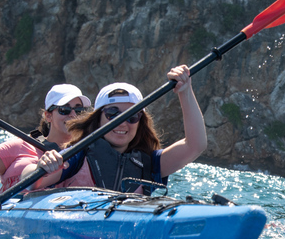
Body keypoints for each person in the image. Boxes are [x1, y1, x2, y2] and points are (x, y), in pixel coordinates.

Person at [23, 65, 206, 194]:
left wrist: (185, 91)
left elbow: (195, 146)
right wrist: (41, 166)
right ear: (98, 119)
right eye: (112, 113)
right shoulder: (78, 155)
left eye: (132, 116)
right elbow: (31, 182)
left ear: (140, 122)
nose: (122, 123)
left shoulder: (151, 164)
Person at [0, 84, 91, 192]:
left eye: (79, 110)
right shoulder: (21, 147)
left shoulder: (91, 153)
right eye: (64, 110)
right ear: (48, 116)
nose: (73, 115)